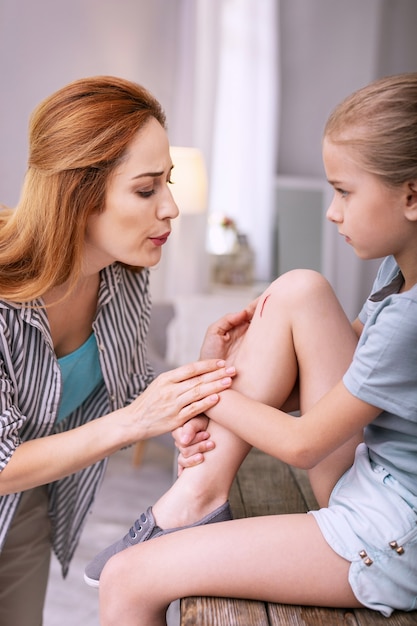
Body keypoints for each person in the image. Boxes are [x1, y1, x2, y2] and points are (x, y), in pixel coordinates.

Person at [85, 72, 417, 624]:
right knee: (299, 289)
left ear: (412, 195)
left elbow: (305, 444)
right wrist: (233, 367)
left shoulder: (411, 318)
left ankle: (194, 499)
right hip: (371, 478)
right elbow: (352, 379)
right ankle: (199, 495)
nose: (332, 212)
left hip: (392, 535)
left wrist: (200, 391)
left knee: (126, 580)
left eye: (344, 192)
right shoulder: (397, 273)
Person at [0, 75, 255, 626]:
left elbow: (127, 383)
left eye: (169, 182)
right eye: (146, 189)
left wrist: (193, 377)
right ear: (79, 196)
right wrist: (137, 422)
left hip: (27, 507)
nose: (170, 208)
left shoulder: (126, 274)